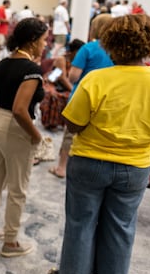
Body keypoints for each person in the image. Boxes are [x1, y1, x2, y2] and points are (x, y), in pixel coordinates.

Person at [48, 14, 150, 274]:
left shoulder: (96, 79)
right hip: (135, 166)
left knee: (81, 221)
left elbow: (73, 125)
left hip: (89, 161)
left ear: (110, 44)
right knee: (121, 225)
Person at [0, 17, 48, 257]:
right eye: (43, 40)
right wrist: (36, 136)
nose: (45, 45)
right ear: (32, 41)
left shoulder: (2, 64)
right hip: (16, 127)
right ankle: (10, 241)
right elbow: (20, 109)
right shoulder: (32, 70)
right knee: (18, 188)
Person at [48, 14, 114, 179]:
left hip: (82, 97)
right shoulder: (116, 51)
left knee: (70, 133)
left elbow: (73, 77)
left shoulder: (88, 49)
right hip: (108, 99)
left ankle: (62, 167)